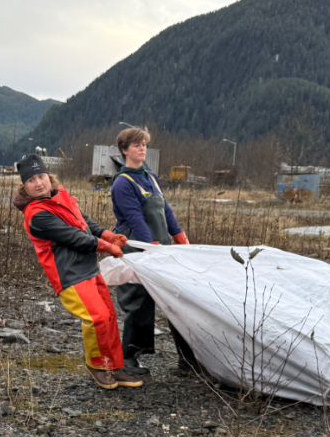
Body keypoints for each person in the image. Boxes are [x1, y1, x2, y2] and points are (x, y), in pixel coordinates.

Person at [14, 154, 143, 389]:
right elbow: (76, 238)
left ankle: (115, 366)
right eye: (31, 180)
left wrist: (107, 235)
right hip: (70, 276)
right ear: (25, 186)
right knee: (97, 318)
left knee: (109, 316)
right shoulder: (36, 215)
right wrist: (107, 247)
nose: (38, 183)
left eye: (41, 176)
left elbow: (84, 222)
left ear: (49, 177)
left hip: (89, 269)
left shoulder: (60, 197)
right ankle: (97, 365)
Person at [108, 127, 201, 375]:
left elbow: (165, 209)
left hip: (160, 249)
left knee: (176, 300)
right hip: (137, 249)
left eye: (144, 144)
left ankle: (188, 360)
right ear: (124, 150)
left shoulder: (150, 177)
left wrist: (179, 236)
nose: (142, 148)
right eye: (136, 145)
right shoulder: (122, 183)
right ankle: (129, 358)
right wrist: (151, 247)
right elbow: (135, 219)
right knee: (138, 302)